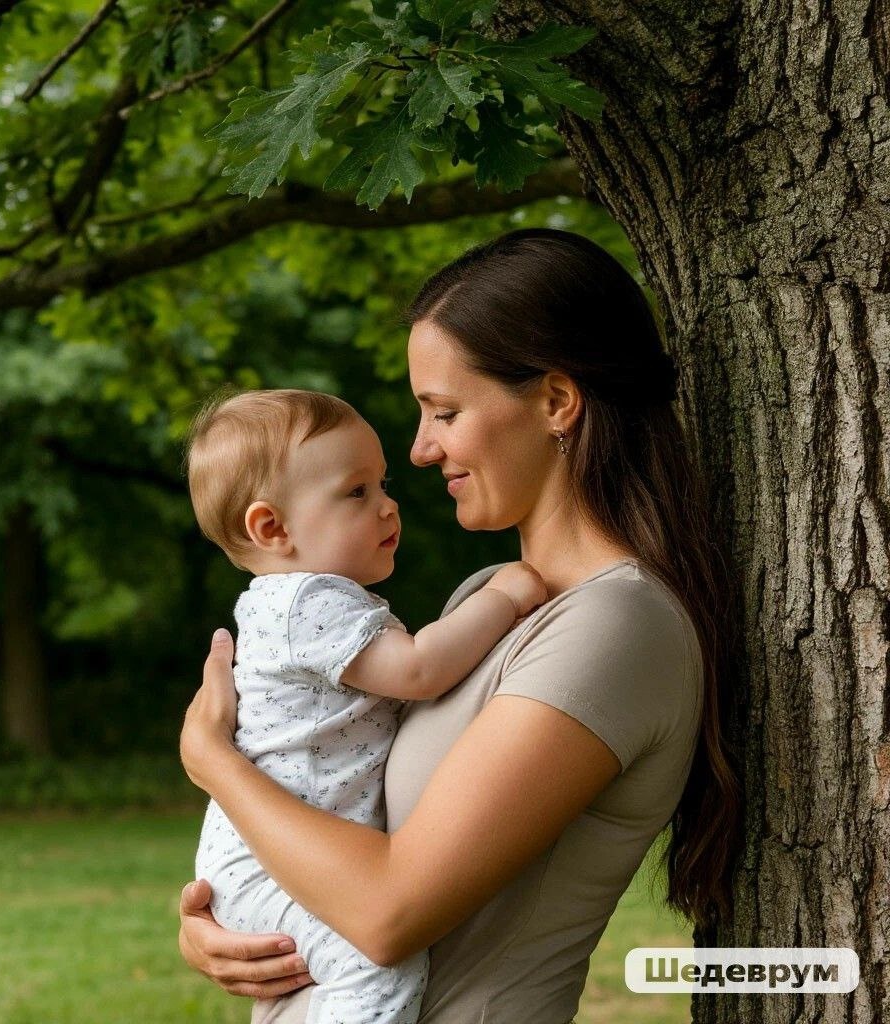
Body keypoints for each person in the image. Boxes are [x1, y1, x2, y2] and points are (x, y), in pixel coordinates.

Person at [177, 228, 741, 1024]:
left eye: (444, 411)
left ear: (555, 401)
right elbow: (342, 813)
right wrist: (232, 913)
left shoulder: (616, 626)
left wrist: (213, 763)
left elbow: (386, 911)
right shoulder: (492, 599)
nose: (418, 449)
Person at [183, 388, 548, 1023]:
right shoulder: (306, 603)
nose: (388, 505)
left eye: (382, 484)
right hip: (269, 867)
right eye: (357, 493)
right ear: (272, 528)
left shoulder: (295, 602)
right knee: (375, 966)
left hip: (270, 858)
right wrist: (505, 596)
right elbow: (420, 669)